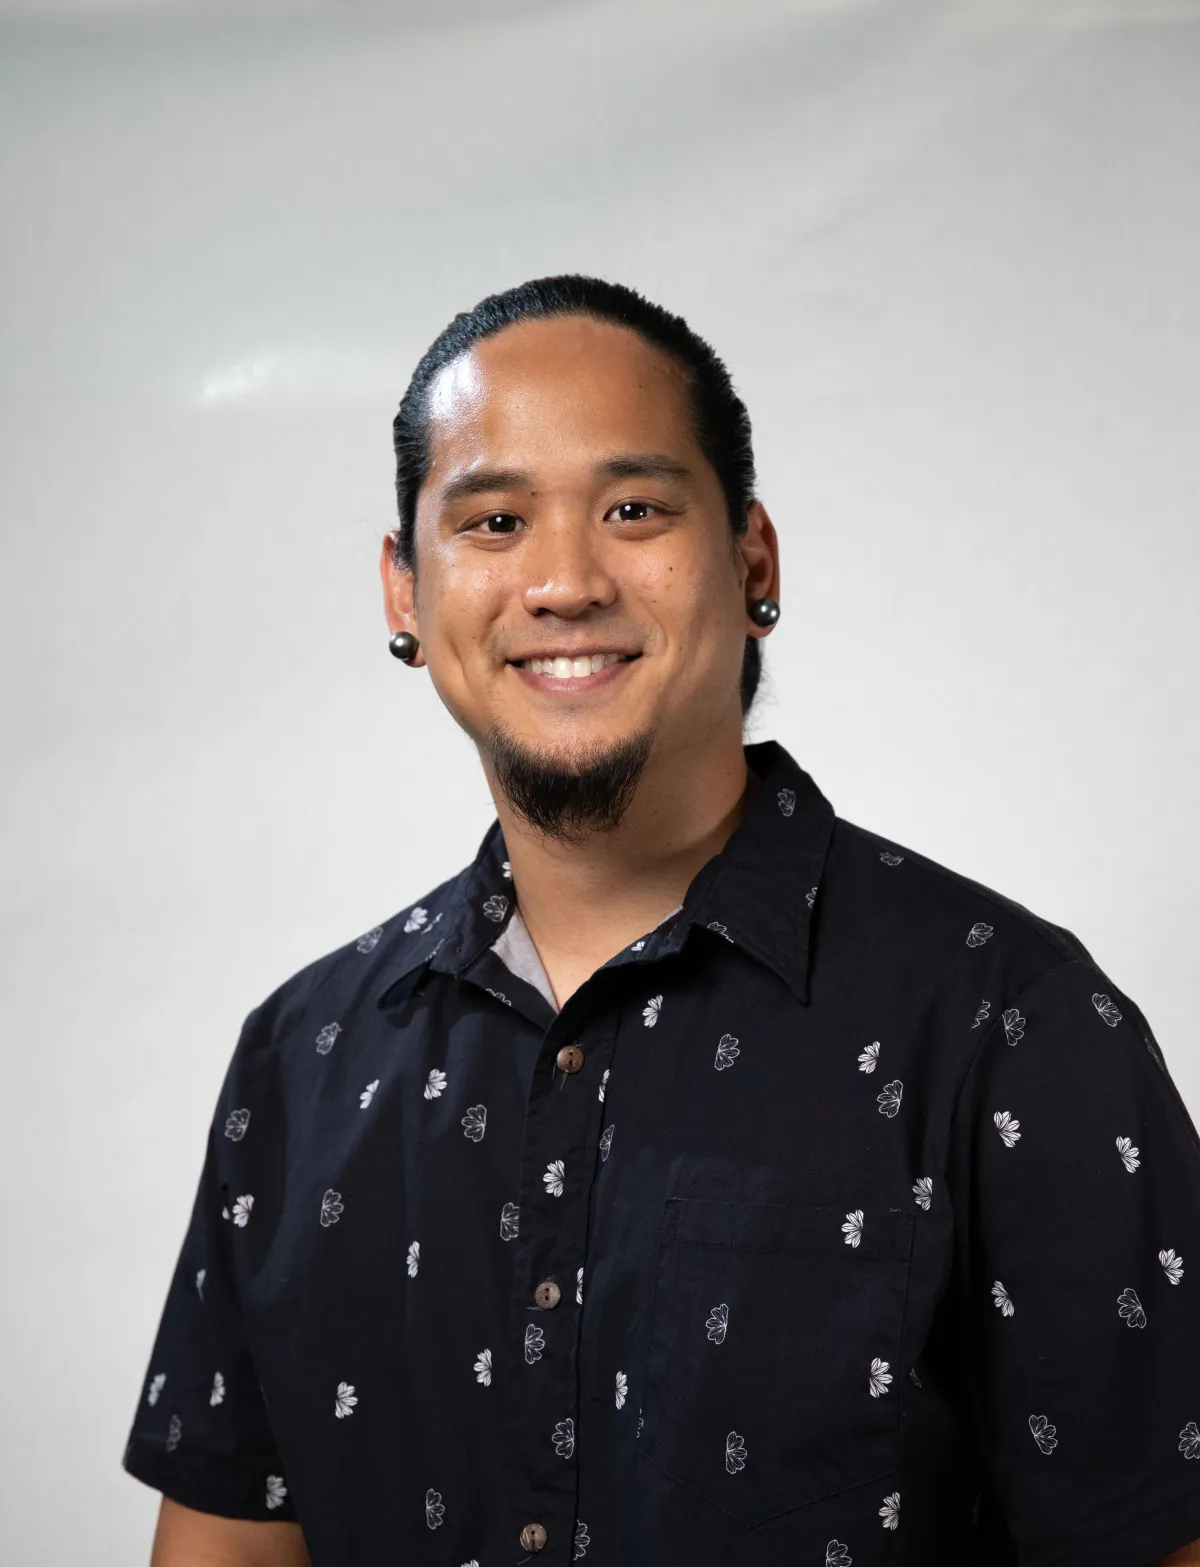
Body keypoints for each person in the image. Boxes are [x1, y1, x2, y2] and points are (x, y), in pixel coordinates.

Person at [122, 275, 1200, 1567]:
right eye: (497, 518)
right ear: (406, 591)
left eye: (634, 509)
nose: (566, 580)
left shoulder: (1007, 1023)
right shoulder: (299, 1060)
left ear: (752, 561)